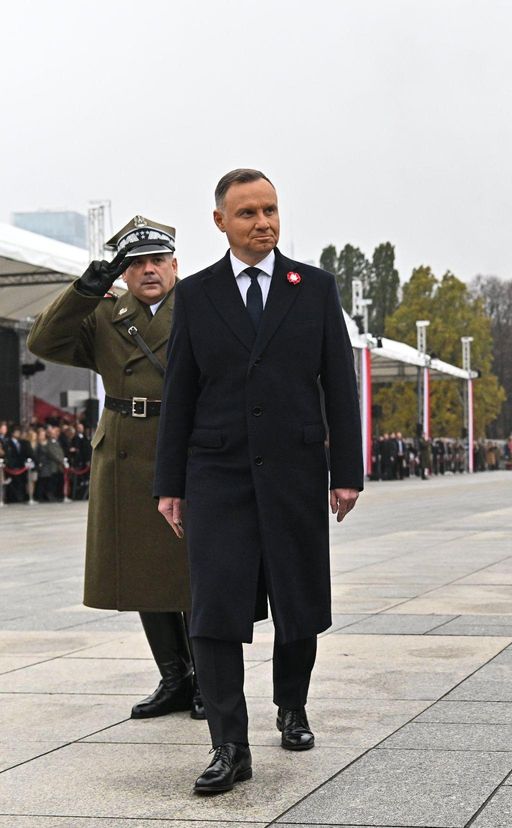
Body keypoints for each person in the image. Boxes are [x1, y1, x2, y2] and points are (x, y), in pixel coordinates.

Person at [154, 168, 363, 794]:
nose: (263, 222)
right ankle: (229, 746)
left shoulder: (315, 287)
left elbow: (339, 386)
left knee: (298, 602)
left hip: (296, 469)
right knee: (214, 610)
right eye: (247, 213)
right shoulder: (195, 295)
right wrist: (171, 483)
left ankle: (291, 706)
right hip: (216, 471)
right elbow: (180, 393)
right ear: (220, 221)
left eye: (270, 209)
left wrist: (346, 473)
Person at [27, 216, 202, 720]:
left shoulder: (200, 307)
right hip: (124, 447)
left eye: (156, 261)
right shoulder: (105, 314)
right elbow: (44, 342)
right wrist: (86, 289)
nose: (148, 270)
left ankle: (206, 681)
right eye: (136, 263)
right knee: (142, 569)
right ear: (123, 273)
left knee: (190, 572)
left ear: (175, 265)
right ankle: (174, 676)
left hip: (185, 444)